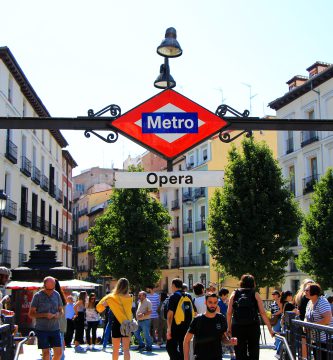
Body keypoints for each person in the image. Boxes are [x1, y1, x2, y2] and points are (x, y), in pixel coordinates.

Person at [227, 274, 274, 360]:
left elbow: (229, 313)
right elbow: (263, 313)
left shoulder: (234, 293)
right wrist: (270, 329)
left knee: (240, 352)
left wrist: (229, 328)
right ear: (253, 283)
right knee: (254, 351)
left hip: (237, 326)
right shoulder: (255, 294)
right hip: (253, 326)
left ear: (241, 283)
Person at [183, 293, 232, 360]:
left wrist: (230, 342)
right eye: (210, 302)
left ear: (217, 303)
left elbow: (223, 338)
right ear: (205, 302)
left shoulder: (221, 318)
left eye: (215, 302)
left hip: (217, 357)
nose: (212, 305)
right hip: (200, 357)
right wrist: (186, 358)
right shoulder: (197, 320)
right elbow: (186, 340)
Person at [96, 278, 133, 360]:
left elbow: (98, 308)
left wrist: (106, 305)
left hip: (116, 323)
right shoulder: (130, 297)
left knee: (115, 350)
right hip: (126, 323)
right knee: (126, 349)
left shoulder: (111, 297)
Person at [28, 276, 63, 360]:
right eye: (48, 289)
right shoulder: (37, 296)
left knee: (59, 353)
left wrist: (59, 314)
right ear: (44, 286)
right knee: (46, 354)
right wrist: (45, 315)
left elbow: (61, 311)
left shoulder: (56, 294)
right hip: (42, 329)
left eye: (52, 289)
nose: (51, 291)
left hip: (55, 328)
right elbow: (31, 314)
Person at [166, 278, 195, 360]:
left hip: (175, 326)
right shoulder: (188, 295)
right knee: (183, 348)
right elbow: (194, 312)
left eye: (172, 286)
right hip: (186, 326)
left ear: (174, 286)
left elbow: (170, 314)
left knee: (170, 347)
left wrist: (169, 329)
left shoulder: (173, 296)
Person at [304, 283, 333, 360]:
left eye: (307, 290)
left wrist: (312, 325)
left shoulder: (322, 302)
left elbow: (327, 319)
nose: (305, 292)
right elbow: (306, 316)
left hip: (326, 339)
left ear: (314, 291)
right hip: (316, 339)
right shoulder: (309, 302)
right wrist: (305, 325)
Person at [54, 279, 67, 360]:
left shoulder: (55, 297)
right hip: (61, 324)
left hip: (55, 323)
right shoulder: (62, 297)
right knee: (60, 345)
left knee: (55, 346)